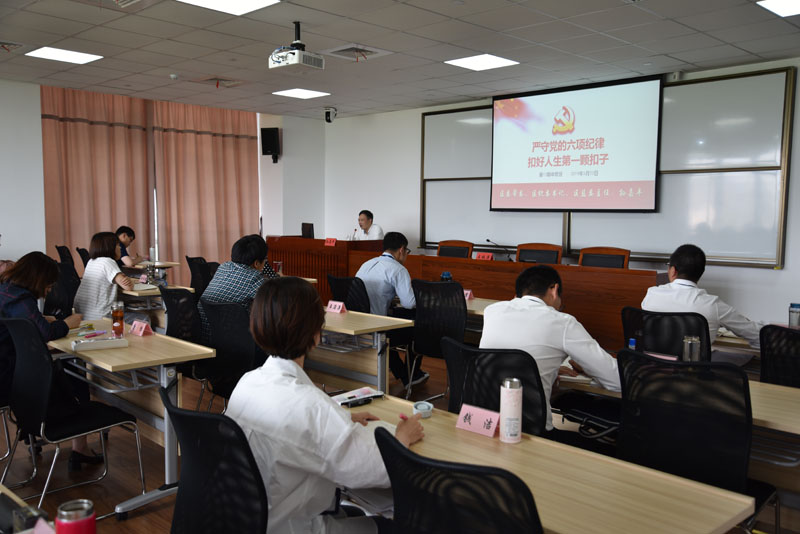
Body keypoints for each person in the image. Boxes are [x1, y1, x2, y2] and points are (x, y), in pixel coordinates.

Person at [226, 277, 424, 534]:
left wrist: (338, 418)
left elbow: (295, 427)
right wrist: (402, 437)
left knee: (351, 512)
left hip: (250, 517)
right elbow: (374, 469)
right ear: (316, 333)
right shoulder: (311, 407)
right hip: (292, 525)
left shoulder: (247, 382)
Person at [479, 265, 620, 434]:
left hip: (485, 424)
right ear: (554, 290)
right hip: (533, 434)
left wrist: (545, 367)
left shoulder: (492, 311)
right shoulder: (563, 322)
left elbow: (509, 355)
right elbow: (616, 381)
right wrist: (587, 368)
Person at [0, 252, 102, 470]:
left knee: (66, 366)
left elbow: (27, 324)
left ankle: (37, 430)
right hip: (9, 379)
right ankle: (78, 440)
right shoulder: (20, 298)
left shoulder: (6, 290)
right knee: (72, 371)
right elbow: (45, 333)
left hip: (9, 368)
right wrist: (68, 323)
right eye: (49, 284)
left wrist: (43, 320)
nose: (49, 290)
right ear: (39, 278)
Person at [641, 243, 762, 348]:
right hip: (693, 367)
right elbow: (756, 335)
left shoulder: (652, 294)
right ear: (701, 272)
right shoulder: (712, 304)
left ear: (673, 270)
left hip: (653, 365)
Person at [355, 232, 426, 387]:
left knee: (389, 329)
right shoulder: (398, 269)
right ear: (401, 250)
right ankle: (412, 374)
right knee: (419, 325)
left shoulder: (366, 264)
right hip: (378, 327)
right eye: (407, 251)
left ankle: (402, 373)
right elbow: (409, 303)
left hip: (357, 323)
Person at [197, 234, 279, 343]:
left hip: (204, 338)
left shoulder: (223, 267)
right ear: (256, 263)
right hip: (235, 343)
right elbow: (276, 304)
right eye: (265, 260)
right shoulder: (255, 279)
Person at [74, 232, 134, 321]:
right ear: (110, 247)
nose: (120, 248)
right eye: (118, 245)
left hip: (83, 316)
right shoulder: (108, 262)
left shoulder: (91, 261)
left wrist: (123, 279)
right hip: (102, 317)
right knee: (144, 318)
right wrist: (129, 280)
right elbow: (128, 287)